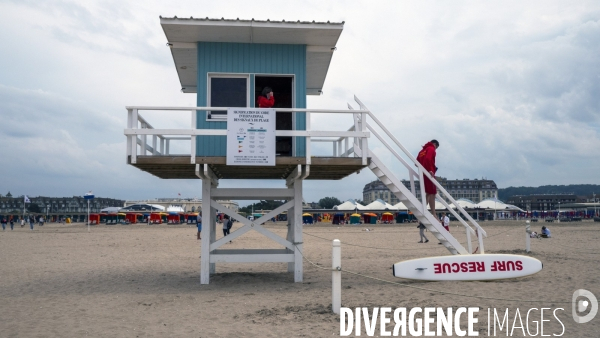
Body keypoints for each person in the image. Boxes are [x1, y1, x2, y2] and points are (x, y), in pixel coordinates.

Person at [416, 140, 439, 219]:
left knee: (428, 193)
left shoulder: (422, 151)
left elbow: (416, 163)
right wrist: (430, 169)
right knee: (432, 193)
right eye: (436, 148)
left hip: (423, 173)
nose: (435, 150)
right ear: (435, 144)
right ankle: (433, 214)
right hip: (429, 173)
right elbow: (428, 158)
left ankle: (424, 211)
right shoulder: (431, 148)